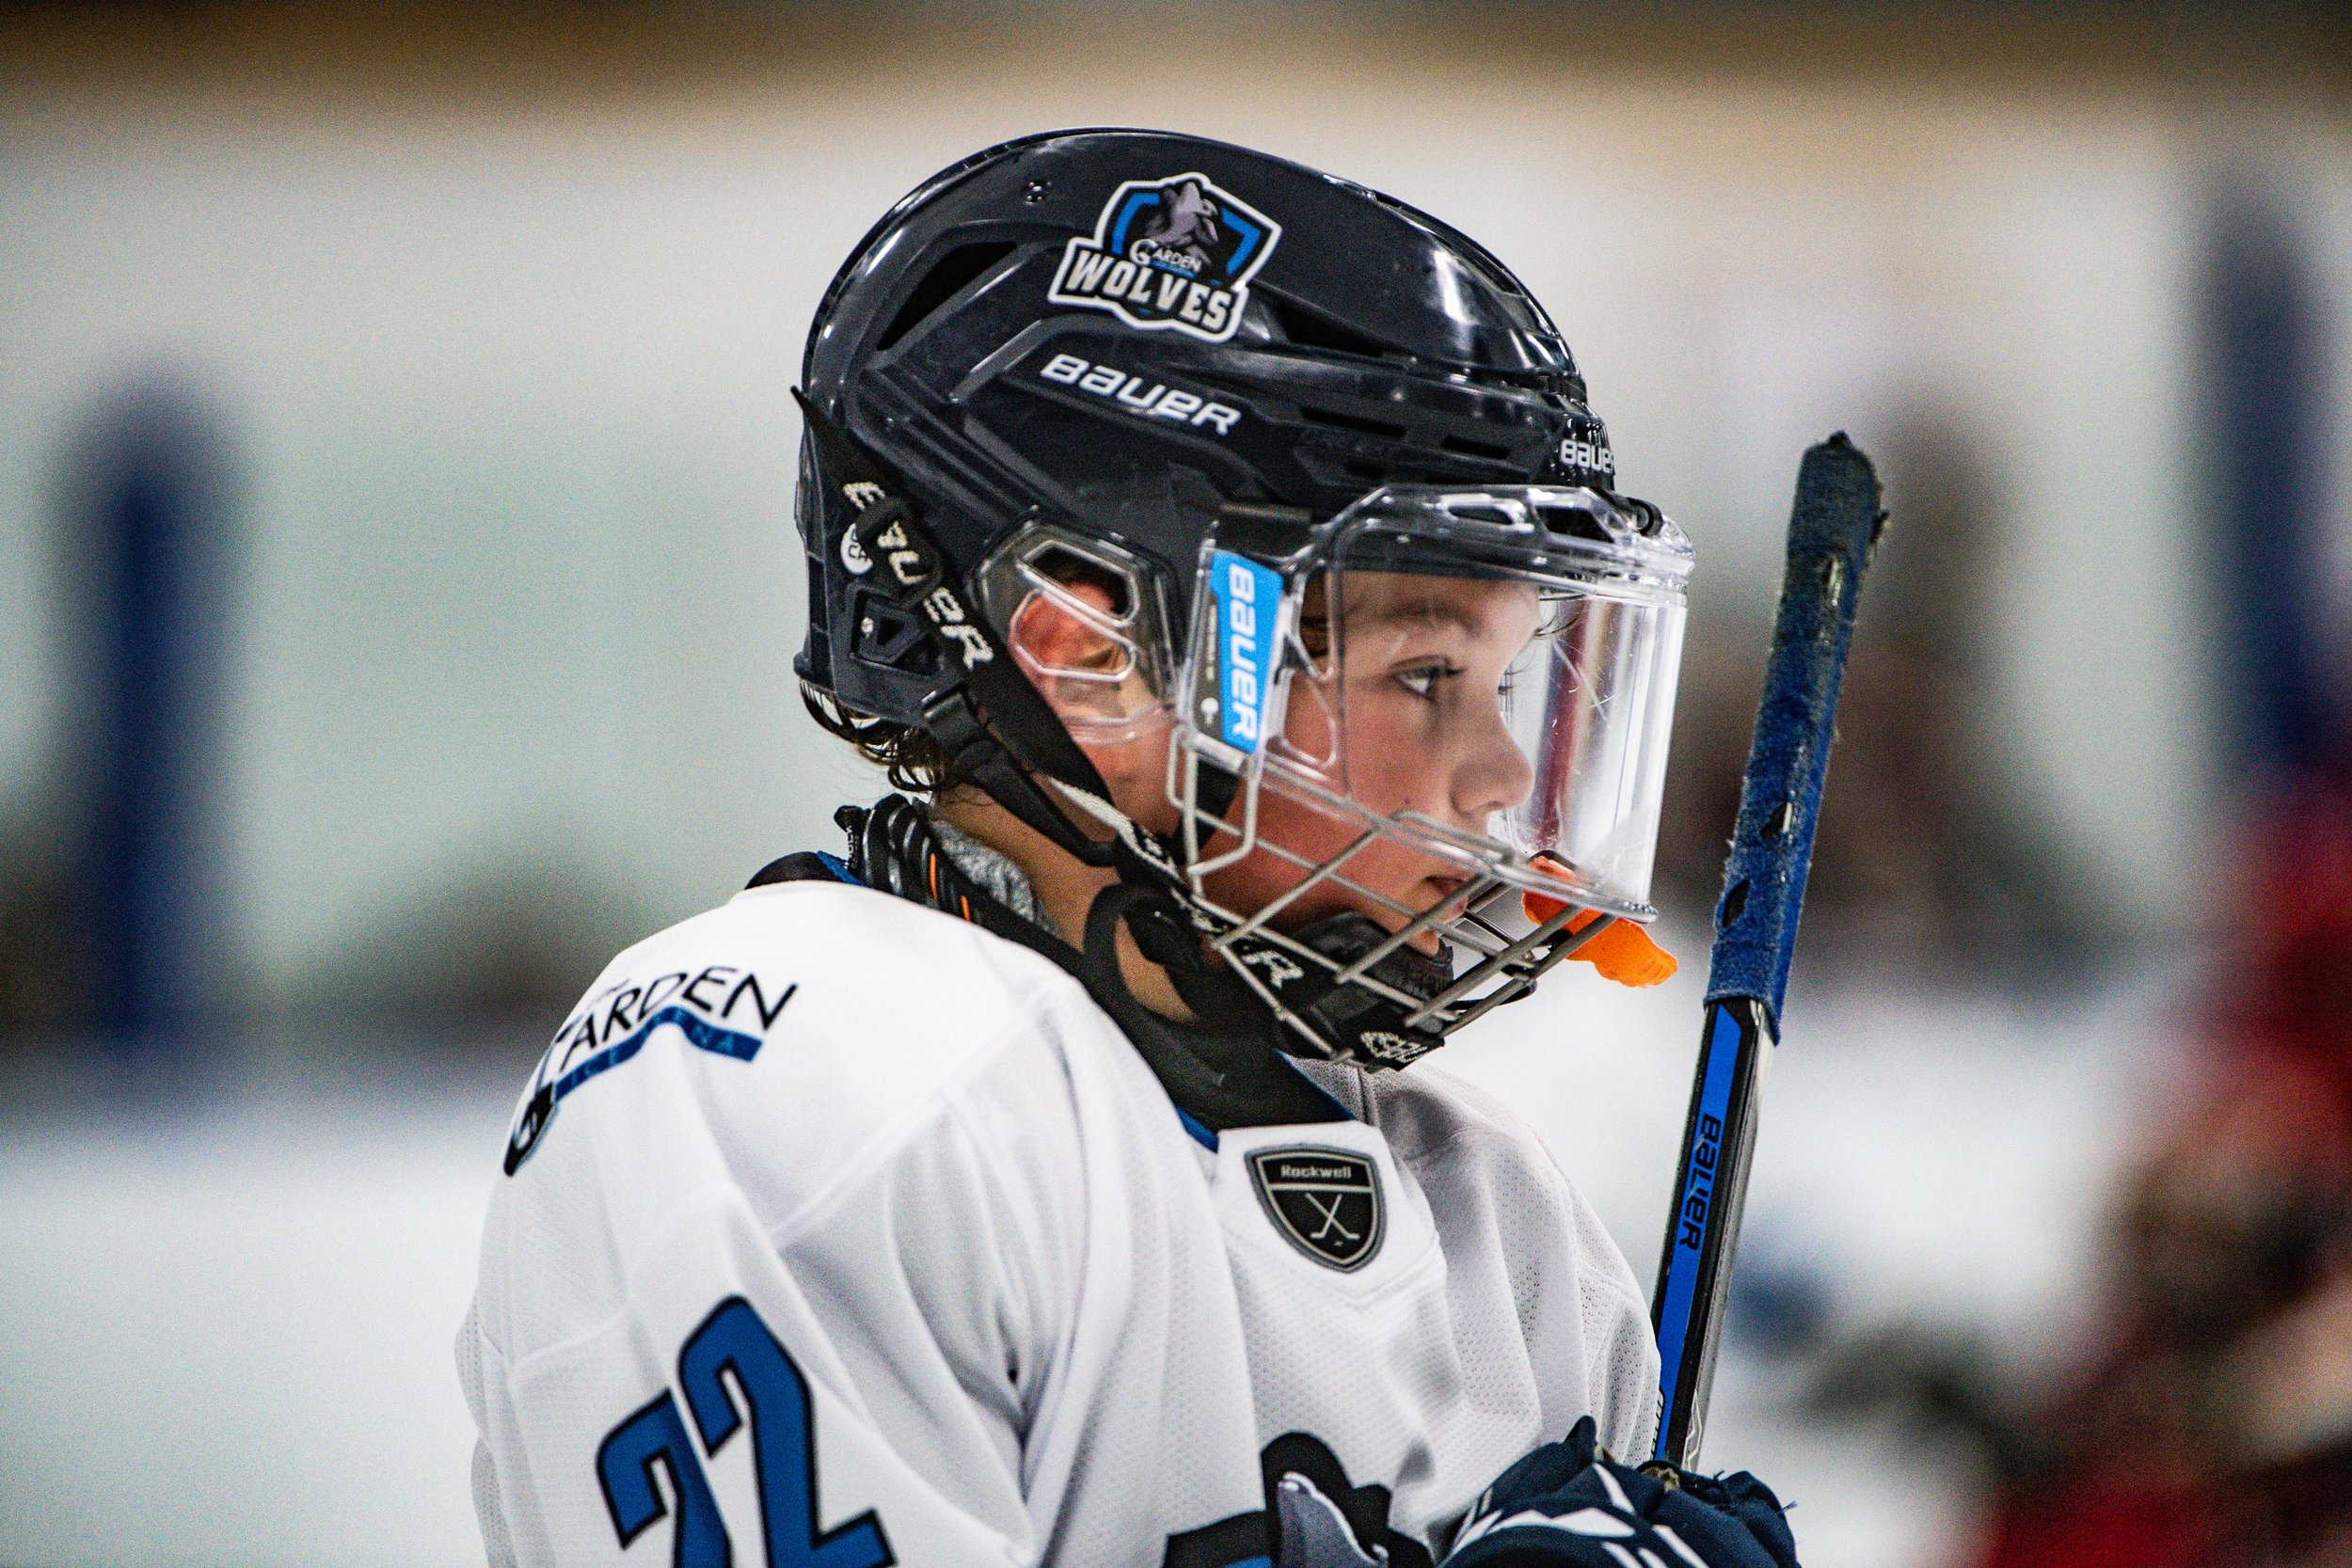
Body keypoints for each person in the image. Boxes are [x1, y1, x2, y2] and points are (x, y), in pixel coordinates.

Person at [457, 128, 1798, 1568]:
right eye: (1425, 676)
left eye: (1512, 676)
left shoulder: (1502, 1226)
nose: (1501, 776)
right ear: (1092, 655)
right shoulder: (792, 1089)